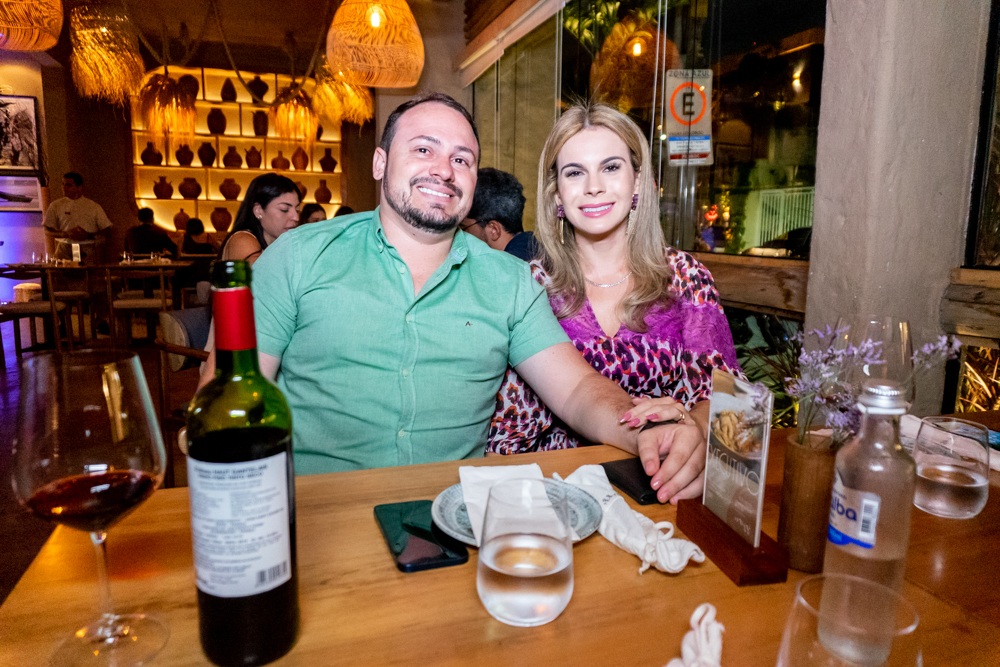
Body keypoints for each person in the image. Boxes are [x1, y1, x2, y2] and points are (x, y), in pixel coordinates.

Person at [198, 93, 702, 504]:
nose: (444, 169)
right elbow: (227, 399)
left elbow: (577, 391)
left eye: (461, 159)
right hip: (315, 517)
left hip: (454, 520)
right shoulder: (297, 256)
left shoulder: (510, 281)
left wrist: (642, 430)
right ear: (380, 162)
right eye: (424, 150)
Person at [487, 102, 742, 504]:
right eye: (575, 172)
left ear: (637, 182)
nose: (594, 186)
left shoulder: (684, 277)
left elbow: (728, 399)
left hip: (661, 491)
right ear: (556, 193)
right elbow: (507, 429)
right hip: (552, 493)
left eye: (610, 167)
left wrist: (689, 431)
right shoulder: (530, 286)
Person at [218, 173, 301, 265]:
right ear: (258, 210)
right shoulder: (242, 239)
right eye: (284, 209)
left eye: (297, 210)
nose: (296, 217)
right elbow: (264, 272)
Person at [459, 168, 539, 261]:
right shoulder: (538, 249)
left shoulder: (507, 267)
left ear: (494, 230)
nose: (458, 236)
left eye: (463, 229)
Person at [43, 172, 112, 260]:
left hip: (87, 249)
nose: (64, 187)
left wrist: (88, 235)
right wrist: (65, 234)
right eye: (63, 184)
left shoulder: (93, 206)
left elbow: (107, 230)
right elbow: (47, 230)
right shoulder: (55, 206)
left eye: (68, 185)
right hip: (65, 248)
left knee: (87, 268)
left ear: (79, 187)